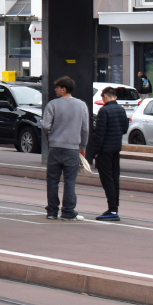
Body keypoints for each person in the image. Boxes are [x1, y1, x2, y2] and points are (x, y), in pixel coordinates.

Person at [40, 76, 89, 220]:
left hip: (55, 147)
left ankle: (52, 211)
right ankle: (68, 211)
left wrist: (49, 135)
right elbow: (85, 128)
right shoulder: (81, 105)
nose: (55, 90)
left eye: (57, 87)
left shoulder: (53, 104)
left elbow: (45, 125)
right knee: (70, 181)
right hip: (72, 148)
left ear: (64, 89)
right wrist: (83, 146)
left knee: (52, 180)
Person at [88, 86, 127, 221]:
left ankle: (112, 209)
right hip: (116, 148)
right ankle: (115, 207)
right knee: (115, 178)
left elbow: (100, 133)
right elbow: (124, 129)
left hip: (105, 150)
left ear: (104, 96)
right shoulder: (121, 110)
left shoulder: (103, 111)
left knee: (107, 180)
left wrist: (96, 152)